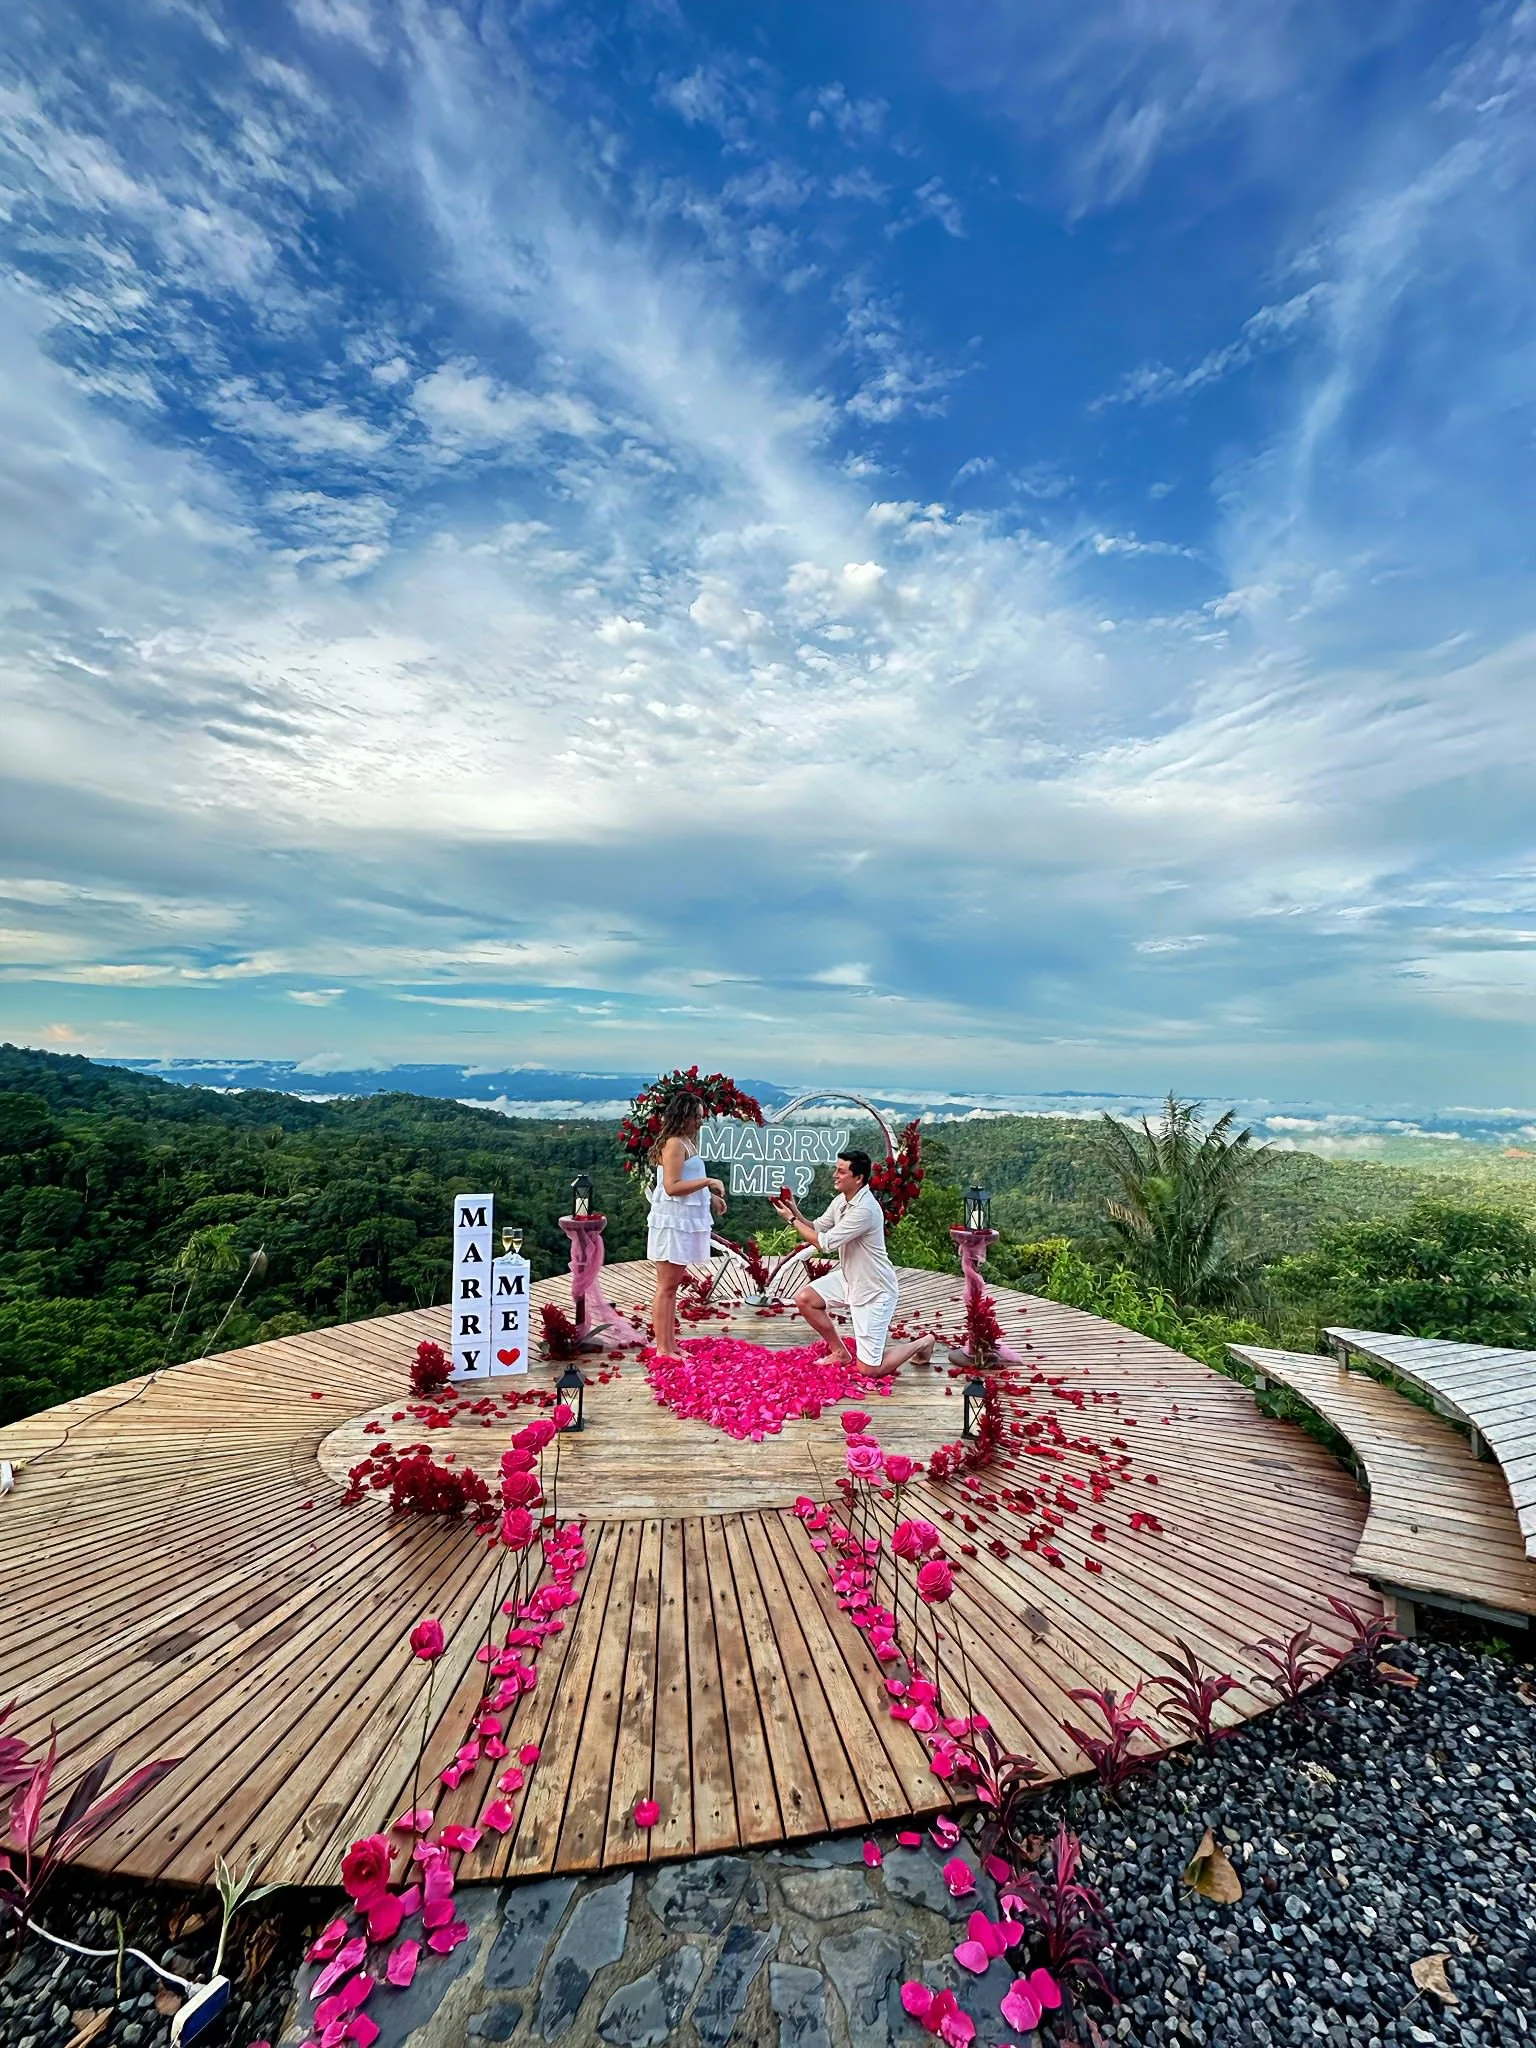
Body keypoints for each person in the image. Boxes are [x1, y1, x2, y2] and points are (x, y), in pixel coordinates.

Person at [772, 1149, 934, 1377]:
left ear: (858, 1178)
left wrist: (789, 1220)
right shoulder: (841, 1201)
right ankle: (840, 1352)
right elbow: (817, 1227)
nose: (834, 1175)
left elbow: (824, 1244)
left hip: (874, 1289)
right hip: (850, 1277)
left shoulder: (865, 1210)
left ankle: (923, 1342)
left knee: (869, 1370)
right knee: (805, 1299)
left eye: (841, 1171)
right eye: (836, 1170)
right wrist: (794, 1210)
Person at [647, 1093, 727, 1359]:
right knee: (666, 1287)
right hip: (672, 1222)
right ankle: (662, 1348)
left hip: (683, 1220)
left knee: (671, 1286)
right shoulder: (673, 1145)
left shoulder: (685, 1143)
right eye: (696, 1117)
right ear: (683, 1116)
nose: (699, 1122)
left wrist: (711, 1197)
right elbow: (672, 1187)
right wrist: (709, 1182)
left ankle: (670, 1344)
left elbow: (687, 1180)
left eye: (701, 1117)